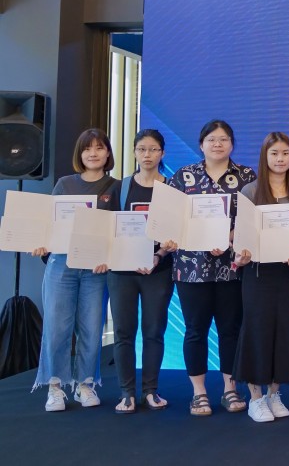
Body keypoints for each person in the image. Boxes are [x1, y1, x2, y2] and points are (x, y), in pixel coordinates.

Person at [166, 119, 256, 416]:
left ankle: (230, 389)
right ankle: (199, 393)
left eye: (224, 139)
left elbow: (253, 220)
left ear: (232, 144)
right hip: (191, 267)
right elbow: (170, 219)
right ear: (201, 144)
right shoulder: (183, 176)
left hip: (233, 266)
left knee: (230, 329)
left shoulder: (246, 177)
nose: (218, 144)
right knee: (195, 330)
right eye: (212, 139)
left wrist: (227, 238)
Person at [32, 128, 118, 412]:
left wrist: (110, 255)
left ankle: (85, 384)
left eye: (99, 148)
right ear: (79, 154)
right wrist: (41, 242)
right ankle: (55, 387)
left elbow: (119, 231)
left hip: (96, 267)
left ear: (108, 153)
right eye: (86, 149)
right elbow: (49, 223)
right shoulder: (65, 184)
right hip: (62, 264)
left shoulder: (115, 187)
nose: (92, 153)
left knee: (91, 328)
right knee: (57, 327)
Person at [233, 132, 289, 423]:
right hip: (257, 273)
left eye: (285, 154)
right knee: (258, 329)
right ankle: (255, 397)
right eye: (275, 154)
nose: (280, 159)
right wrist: (242, 253)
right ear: (265, 157)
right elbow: (242, 236)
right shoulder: (251, 192)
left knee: (285, 329)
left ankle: (274, 393)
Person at [106, 129, 175, 414]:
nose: (147, 155)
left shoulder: (172, 189)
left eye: (153, 149)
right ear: (134, 152)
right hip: (122, 271)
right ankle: (126, 393)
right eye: (142, 149)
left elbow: (177, 231)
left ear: (162, 153)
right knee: (123, 332)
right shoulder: (119, 188)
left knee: (154, 331)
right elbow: (106, 228)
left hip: (158, 271)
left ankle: (150, 390)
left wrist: (162, 252)